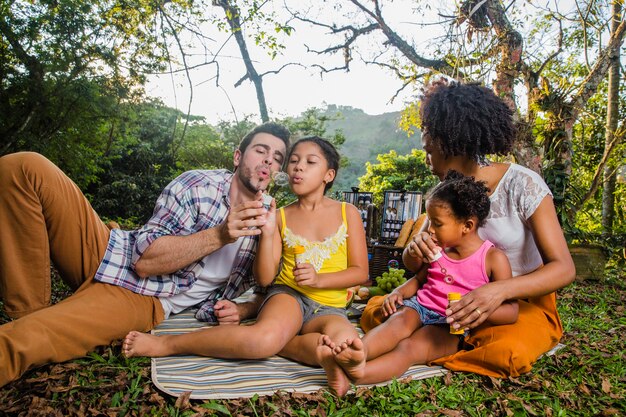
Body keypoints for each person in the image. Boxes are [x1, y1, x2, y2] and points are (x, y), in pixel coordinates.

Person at [0, 122, 290, 387]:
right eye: (261, 151)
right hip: (111, 249)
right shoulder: (197, 185)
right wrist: (220, 234)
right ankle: (28, 311)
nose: (268, 160)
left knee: (22, 341)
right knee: (24, 167)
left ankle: (29, 327)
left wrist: (243, 309)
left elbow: (269, 287)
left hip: (144, 298)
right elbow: (145, 261)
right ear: (238, 157)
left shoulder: (271, 219)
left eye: (277, 158)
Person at [360, 78, 576, 378]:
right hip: (447, 298)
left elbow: (564, 268)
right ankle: (437, 337)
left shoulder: (523, 185)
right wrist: (414, 250)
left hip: (514, 302)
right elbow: (415, 265)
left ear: (452, 144)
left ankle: (442, 338)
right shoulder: (445, 193)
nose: (427, 160)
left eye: (430, 150)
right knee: (380, 314)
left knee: (508, 351)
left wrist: (497, 291)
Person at [122, 137, 369, 396]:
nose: (298, 167)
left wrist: (319, 280)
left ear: (329, 175)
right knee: (262, 341)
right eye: (293, 161)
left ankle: (321, 355)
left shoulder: (347, 212)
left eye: (310, 162)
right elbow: (264, 278)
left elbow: (359, 272)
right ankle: (168, 344)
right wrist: (270, 233)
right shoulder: (280, 214)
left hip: (330, 307)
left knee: (347, 343)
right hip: (288, 297)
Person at [326, 170, 518, 388]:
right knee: (395, 325)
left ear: (467, 226)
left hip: (449, 325)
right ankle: (357, 353)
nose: (430, 231)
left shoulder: (493, 259)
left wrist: (474, 308)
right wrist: (398, 293)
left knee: (409, 348)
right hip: (419, 307)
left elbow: (511, 312)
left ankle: (359, 374)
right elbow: (419, 279)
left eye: (437, 224)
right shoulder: (437, 249)